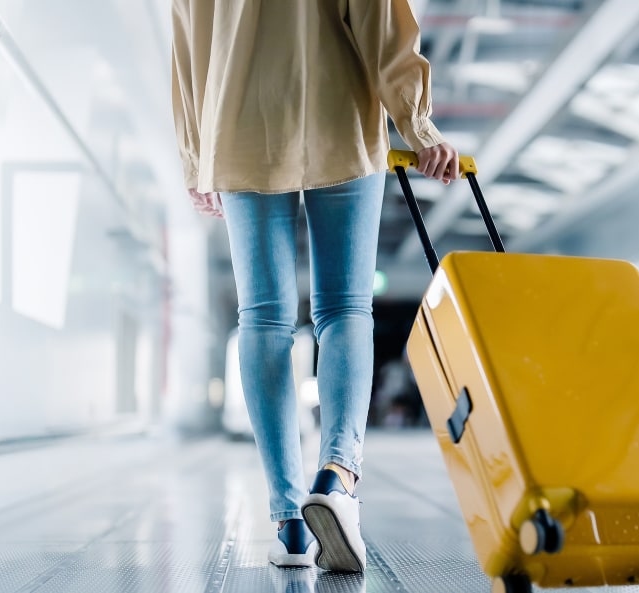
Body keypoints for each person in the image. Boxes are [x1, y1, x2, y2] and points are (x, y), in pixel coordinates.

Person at [170, 0, 459, 573]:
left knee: (264, 317)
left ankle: (290, 525)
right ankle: (338, 475)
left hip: (237, 123)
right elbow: (381, 21)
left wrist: (195, 157)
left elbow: (188, 43)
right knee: (345, 307)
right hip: (340, 115)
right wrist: (417, 124)